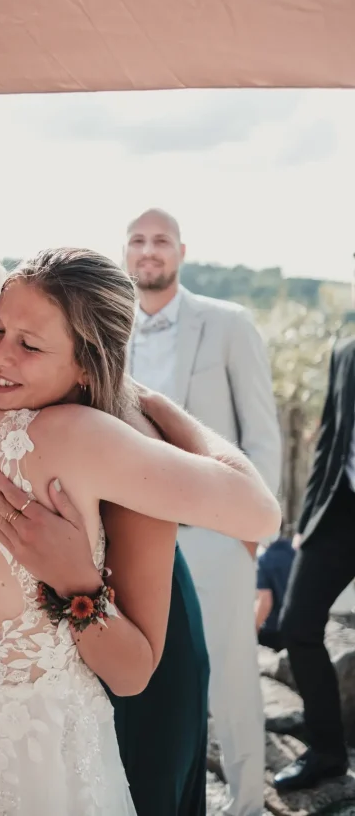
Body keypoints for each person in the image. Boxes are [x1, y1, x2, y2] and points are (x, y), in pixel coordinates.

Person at [0, 233, 279, 815]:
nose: (1, 357)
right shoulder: (52, 435)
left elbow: (257, 515)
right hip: (38, 724)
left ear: (86, 361)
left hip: (116, 661)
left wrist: (78, 579)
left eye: (30, 344)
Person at [125, 208, 282, 816]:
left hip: (217, 531)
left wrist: (250, 532)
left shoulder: (228, 324)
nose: (148, 251)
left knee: (234, 676)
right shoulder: (108, 332)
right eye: (137, 241)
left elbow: (262, 435)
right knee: (158, 678)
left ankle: (246, 803)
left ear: (181, 252)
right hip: (141, 535)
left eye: (160, 240)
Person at [274, 336, 355, 792]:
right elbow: (331, 436)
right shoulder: (346, 352)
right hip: (339, 511)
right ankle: (327, 751)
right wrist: (307, 519)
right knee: (297, 626)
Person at [255, 537, 295, 652]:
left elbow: (265, 602)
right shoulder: (297, 553)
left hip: (276, 631)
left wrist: (254, 627)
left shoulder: (264, 560)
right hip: (301, 627)